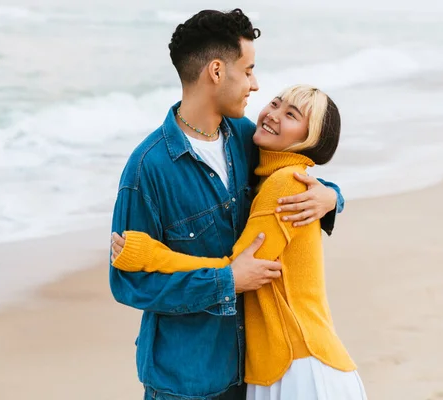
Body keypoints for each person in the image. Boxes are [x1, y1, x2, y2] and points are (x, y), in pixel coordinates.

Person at [109, 9, 345, 400]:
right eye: (248, 70)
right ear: (217, 72)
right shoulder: (148, 169)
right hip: (188, 381)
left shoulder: (245, 139)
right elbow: (128, 282)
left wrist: (332, 196)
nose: (254, 85)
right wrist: (226, 281)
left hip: (256, 373)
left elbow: (294, 169)